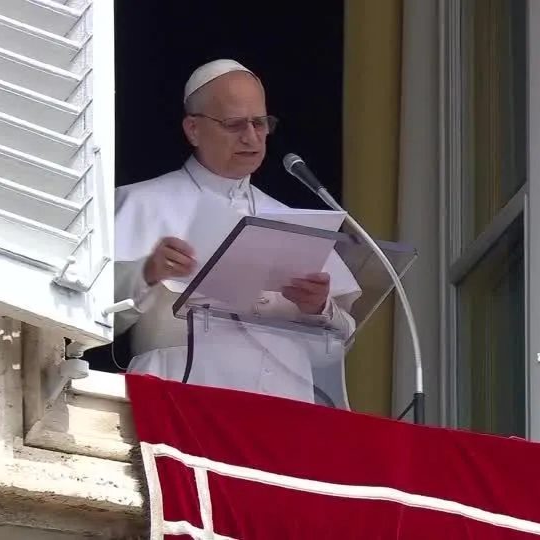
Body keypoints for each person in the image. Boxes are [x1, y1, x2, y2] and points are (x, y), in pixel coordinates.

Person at [113, 59, 359, 405]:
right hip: (181, 396)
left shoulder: (291, 218)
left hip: (286, 405)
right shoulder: (143, 202)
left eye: (260, 123)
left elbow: (334, 350)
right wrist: (147, 272)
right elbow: (91, 319)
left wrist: (319, 307)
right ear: (193, 129)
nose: (251, 137)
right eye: (234, 124)